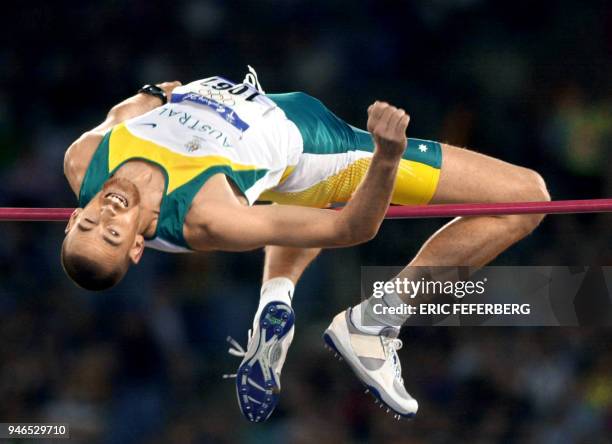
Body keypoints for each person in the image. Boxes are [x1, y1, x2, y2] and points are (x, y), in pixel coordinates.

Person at [61, 68, 549, 423]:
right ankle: (375, 322)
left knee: (287, 199)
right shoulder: (205, 215)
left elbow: (129, 109)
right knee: (526, 198)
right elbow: (350, 231)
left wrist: (158, 93)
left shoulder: (83, 160)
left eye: (89, 226)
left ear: (72, 219)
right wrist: (386, 157)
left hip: (264, 115)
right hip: (323, 149)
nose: (107, 216)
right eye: (114, 234)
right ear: (136, 248)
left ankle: (276, 300)